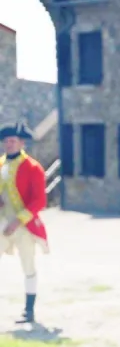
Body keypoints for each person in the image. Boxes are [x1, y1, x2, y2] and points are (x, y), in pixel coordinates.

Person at [0, 121, 48, 324]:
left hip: (24, 224)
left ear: (21, 143)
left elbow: (40, 201)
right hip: (3, 221)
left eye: (13, 141)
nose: (9, 144)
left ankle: (29, 310)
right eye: (6, 141)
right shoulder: (1, 164)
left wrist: (18, 221)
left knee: (28, 265)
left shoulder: (33, 167)